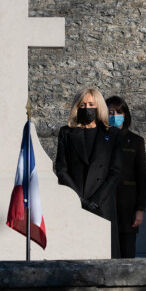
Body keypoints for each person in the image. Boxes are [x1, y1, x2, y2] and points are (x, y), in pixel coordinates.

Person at [56, 87, 123, 258]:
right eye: (83, 104)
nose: (87, 108)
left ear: (99, 106)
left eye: (91, 104)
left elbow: (115, 172)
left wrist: (95, 201)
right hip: (75, 202)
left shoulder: (112, 134)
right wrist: (80, 200)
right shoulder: (67, 133)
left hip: (102, 203)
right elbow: (62, 170)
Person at [106, 95, 146, 259]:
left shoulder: (136, 141)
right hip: (107, 203)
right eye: (110, 112)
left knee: (127, 252)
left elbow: (141, 178)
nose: (114, 115)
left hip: (128, 206)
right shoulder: (102, 139)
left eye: (118, 112)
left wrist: (140, 209)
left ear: (125, 114)